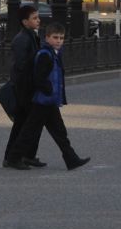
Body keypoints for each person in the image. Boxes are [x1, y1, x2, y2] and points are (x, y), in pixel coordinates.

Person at [13, 22, 90, 170]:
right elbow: (39, 78)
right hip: (42, 100)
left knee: (59, 131)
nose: (59, 40)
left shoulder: (54, 54)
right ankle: (13, 158)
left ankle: (71, 159)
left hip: (49, 100)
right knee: (31, 131)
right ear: (47, 37)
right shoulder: (45, 55)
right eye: (55, 37)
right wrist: (48, 89)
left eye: (61, 38)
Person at [2, 4, 44, 169]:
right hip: (24, 89)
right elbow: (20, 67)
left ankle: (28, 155)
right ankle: (11, 158)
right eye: (34, 18)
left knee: (31, 124)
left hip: (30, 87)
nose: (38, 20)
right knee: (21, 125)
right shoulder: (22, 40)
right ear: (25, 22)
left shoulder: (31, 36)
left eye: (38, 17)